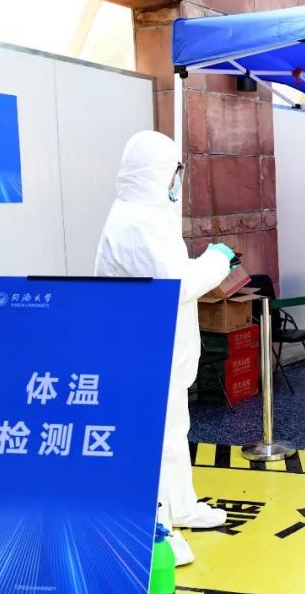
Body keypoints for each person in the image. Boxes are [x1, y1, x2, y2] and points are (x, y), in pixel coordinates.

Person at [95, 130, 238, 565]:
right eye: (175, 171)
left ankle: (180, 507)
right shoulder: (135, 222)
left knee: (173, 435)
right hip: (140, 355)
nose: (179, 179)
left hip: (158, 351)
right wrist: (216, 260)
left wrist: (205, 262)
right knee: (150, 442)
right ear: (159, 173)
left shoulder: (147, 214)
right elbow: (178, 284)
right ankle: (153, 533)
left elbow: (168, 272)